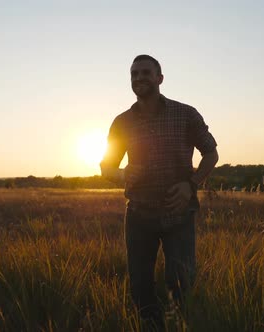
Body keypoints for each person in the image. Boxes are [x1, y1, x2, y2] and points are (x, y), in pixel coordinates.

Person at [100, 54, 219, 329]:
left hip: (179, 214)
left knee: (181, 280)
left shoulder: (185, 114)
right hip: (139, 215)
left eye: (145, 73)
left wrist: (191, 185)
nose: (139, 78)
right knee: (140, 284)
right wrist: (121, 174)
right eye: (134, 74)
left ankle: (180, 324)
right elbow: (106, 166)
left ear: (160, 78)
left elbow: (211, 153)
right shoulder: (122, 122)